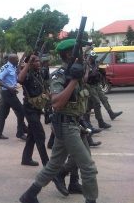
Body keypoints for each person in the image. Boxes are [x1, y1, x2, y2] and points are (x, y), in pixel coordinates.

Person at [19, 39, 98, 203]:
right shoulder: (60, 75)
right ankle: (91, 200)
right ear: (69, 54)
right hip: (66, 125)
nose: (82, 57)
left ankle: (29, 195)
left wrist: (84, 66)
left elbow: (84, 77)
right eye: (78, 53)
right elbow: (57, 103)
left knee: (54, 164)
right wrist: (74, 80)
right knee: (88, 168)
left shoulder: (75, 71)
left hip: (75, 123)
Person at [18, 54, 49, 166]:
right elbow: (20, 79)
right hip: (29, 108)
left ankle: (26, 159)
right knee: (40, 135)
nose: (38, 63)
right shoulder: (27, 74)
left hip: (37, 108)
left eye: (38, 61)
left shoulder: (39, 73)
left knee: (32, 134)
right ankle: (47, 164)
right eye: (35, 61)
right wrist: (27, 64)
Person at [0, 54, 27, 140]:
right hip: (8, 93)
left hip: (8, 92)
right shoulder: (7, 67)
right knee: (21, 111)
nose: (18, 60)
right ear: (12, 60)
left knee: (3, 114)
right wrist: (9, 88)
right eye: (16, 59)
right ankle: (20, 133)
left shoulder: (13, 66)